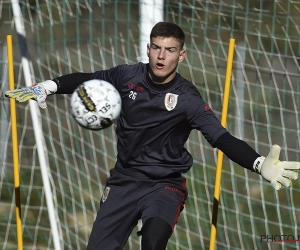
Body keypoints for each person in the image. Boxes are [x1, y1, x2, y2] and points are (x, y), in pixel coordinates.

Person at [5, 22, 300, 250]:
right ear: (148, 49)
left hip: (164, 186)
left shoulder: (188, 99)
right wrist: (48, 87)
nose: (161, 56)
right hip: (123, 181)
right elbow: (87, 79)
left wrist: (259, 164)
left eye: (170, 50)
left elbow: (222, 138)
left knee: (153, 243)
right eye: (157, 48)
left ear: (181, 55)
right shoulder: (126, 76)